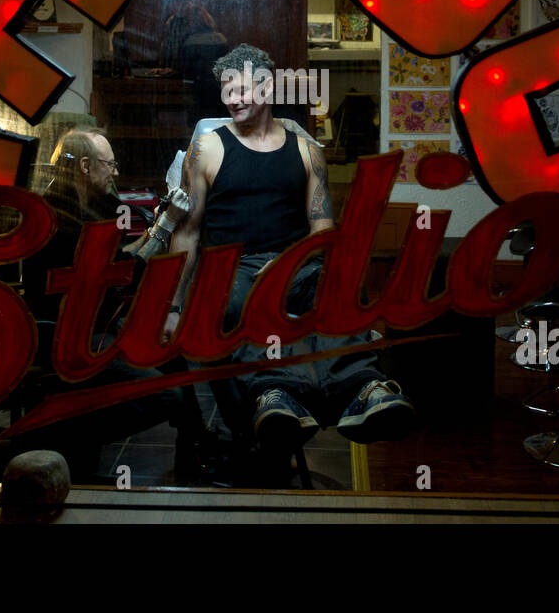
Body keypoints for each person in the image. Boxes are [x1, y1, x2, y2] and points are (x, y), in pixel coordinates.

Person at [167, 44, 415, 464]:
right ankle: (275, 395)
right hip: (231, 268)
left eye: (241, 89)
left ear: (266, 88)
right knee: (246, 303)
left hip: (298, 259)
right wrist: (171, 305)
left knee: (332, 294)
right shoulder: (207, 148)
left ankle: (363, 389)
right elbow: (188, 232)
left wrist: (291, 263)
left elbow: (322, 228)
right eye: (226, 90)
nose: (232, 99)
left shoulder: (306, 151)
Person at [14, 127, 191, 480]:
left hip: (93, 325)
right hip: (69, 337)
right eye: (109, 164)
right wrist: (167, 224)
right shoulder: (60, 218)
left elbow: (120, 264)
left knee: (176, 358)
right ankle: (63, 437)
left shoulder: (83, 205)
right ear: (83, 166)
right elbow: (124, 276)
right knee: (166, 396)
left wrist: (157, 225)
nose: (115, 172)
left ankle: (194, 453)